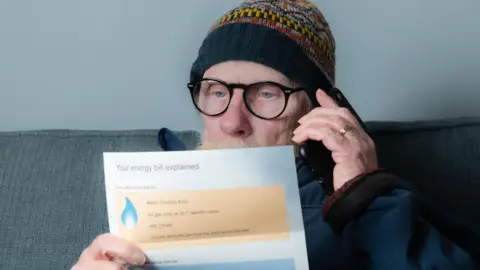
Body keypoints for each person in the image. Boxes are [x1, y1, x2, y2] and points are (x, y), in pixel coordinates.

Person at [72, 0, 479, 269]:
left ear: (317, 106)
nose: (232, 122)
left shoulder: (362, 203)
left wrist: (364, 191)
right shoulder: (145, 199)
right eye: (217, 92)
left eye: (266, 93)